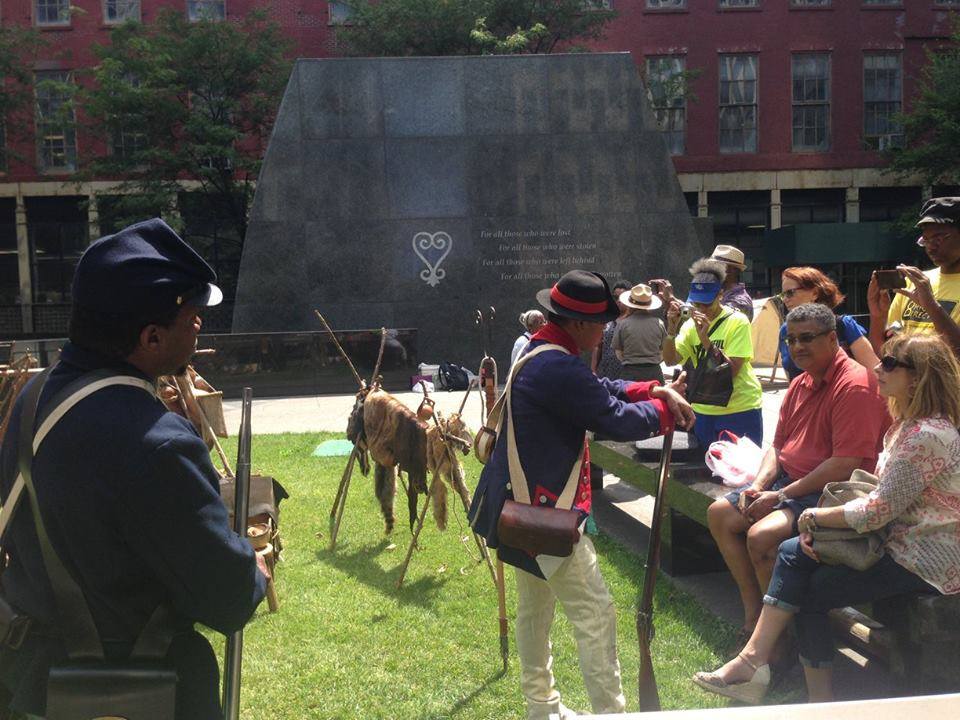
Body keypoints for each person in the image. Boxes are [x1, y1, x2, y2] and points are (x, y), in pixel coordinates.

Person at [0, 219, 267, 720]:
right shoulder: (157, 444)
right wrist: (253, 569)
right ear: (149, 337)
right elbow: (225, 598)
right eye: (190, 315)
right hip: (132, 695)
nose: (198, 324)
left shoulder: (32, 400)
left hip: (28, 679)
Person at [468, 270, 694, 720]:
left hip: (519, 508)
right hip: (544, 514)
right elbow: (611, 416)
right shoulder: (558, 364)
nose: (607, 332)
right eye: (601, 324)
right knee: (595, 614)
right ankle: (610, 713)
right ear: (577, 325)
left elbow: (601, 390)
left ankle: (541, 705)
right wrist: (664, 413)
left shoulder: (544, 350)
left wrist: (651, 389)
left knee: (535, 611)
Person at [694, 332, 960, 704]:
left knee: (800, 577)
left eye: (890, 364)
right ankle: (775, 674)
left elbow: (877, 509)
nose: (878, 368)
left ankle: (766, 669)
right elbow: (879, 499)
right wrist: (820, 525)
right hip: (895, 540)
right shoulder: (905, 426)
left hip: (924, 559)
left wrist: (815, 520)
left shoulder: (927, 434)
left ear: (918, 377)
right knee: (795, 563)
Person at [705, 303, 890, 650]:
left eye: (807, 338)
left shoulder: (855, 385)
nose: (797, 347)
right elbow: (777, 446)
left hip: (834, 493)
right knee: (720, 514)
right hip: (791, 484)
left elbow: (845, 463)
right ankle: (755, 616)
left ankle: (782, 642)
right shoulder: (801, 382)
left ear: (833, 338)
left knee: (761, 537)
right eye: (791, 340)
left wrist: (781, 495)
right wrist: (759, 486)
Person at [662, 258, 763, 449]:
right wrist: (671, 330)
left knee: (741, 472)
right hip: (703, 407)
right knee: (703, 472)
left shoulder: (738, 321)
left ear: (721, 294)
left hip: (739, 407)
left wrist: (706, 341)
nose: (701, 309)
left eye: (706, 304)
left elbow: (731, 371)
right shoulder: (690, 325)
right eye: (697, 304)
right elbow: (669, 360)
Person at [868, 196, 960, 356]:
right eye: (926, 240)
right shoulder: (915, 283)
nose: (931, 247)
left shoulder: (920, 285)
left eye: (939, 238)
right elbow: (886, 355)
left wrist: (931, 305)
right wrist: (878, 317)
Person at [778, 266, 879, 380]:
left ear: (815, 293)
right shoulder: (785, 331)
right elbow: (791, 377)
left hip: (845, 395)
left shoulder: (843, 325)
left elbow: (874, 371)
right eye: (783, 295)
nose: (785, 299)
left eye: (790, 293)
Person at [612, 283, 666, 383]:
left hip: (630, 373)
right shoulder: (659, 323)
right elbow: (663, 352)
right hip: (654, 373)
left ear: (630, 304)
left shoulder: (622, 324)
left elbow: (618, 352)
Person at [591, 280, 630, 380]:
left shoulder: (632, 321)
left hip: (626, 374)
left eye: (622, 298)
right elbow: (598, 346)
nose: (619, 301)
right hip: (606, 373)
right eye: (616, 297)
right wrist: (593, 370)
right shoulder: (606, 320)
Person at [711, 244, 754, 320]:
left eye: (717, 266)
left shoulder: (740, 301)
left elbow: (720, 321)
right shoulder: (717, 292)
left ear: (731, 270)